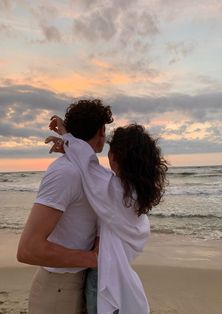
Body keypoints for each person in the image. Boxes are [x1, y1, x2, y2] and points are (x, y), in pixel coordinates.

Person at [47, 116, 168, 314]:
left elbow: (89, 167)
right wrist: (69, 147)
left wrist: (66, 135)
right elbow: (96, 173)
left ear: (115, 157)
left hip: (103, 274)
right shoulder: (134, 192)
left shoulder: (113, 191)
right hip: (119, 270)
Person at [17, 99, 113, 314]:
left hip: (80, 282)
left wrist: (68, 143)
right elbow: (28, 250)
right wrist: (94, 259)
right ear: (101, 131)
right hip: (57, 287)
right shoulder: (65, 173)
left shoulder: (92, 173)